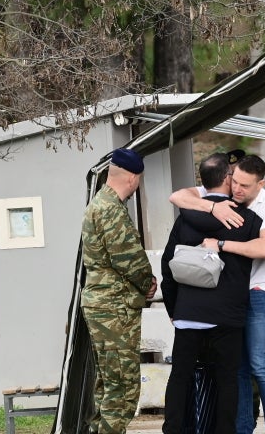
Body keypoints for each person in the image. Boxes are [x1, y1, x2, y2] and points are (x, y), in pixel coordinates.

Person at [171, 154, 265, 434]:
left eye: (245, 186)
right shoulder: (220, 197)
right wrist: (214, 209)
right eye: (235, 181)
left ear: (261, 184)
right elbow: (177, 196)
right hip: (230, 296)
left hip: (258, 290)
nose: (237, 189)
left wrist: (221, 244)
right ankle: (242, 429)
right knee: (237, 370)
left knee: (260, 365)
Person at [80, 148, 157, 434]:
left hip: (104, 304)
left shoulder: (100, 203)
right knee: (123, 388)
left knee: (108, 384)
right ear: (133, 178)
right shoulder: (110, 209)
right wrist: (148, 281)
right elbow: (127, 258)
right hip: (114, 307)